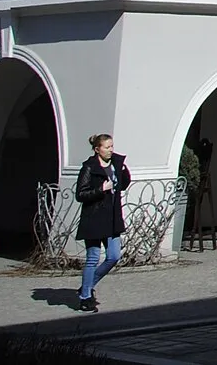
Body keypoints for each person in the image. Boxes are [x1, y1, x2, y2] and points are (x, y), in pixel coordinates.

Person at [74, 133, 131, 312]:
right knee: (92, 258)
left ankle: (87, 286)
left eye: (112, 146)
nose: (111, 150)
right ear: (97, 149)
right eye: (107, 147)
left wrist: (124, 173)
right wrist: (101, 189)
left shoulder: (115, 164)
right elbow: (80, 194)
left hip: (112, 218)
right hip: (94, 219)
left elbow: (122, 184)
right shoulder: (89, 167)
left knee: (114, 256)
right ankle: (85, 297)